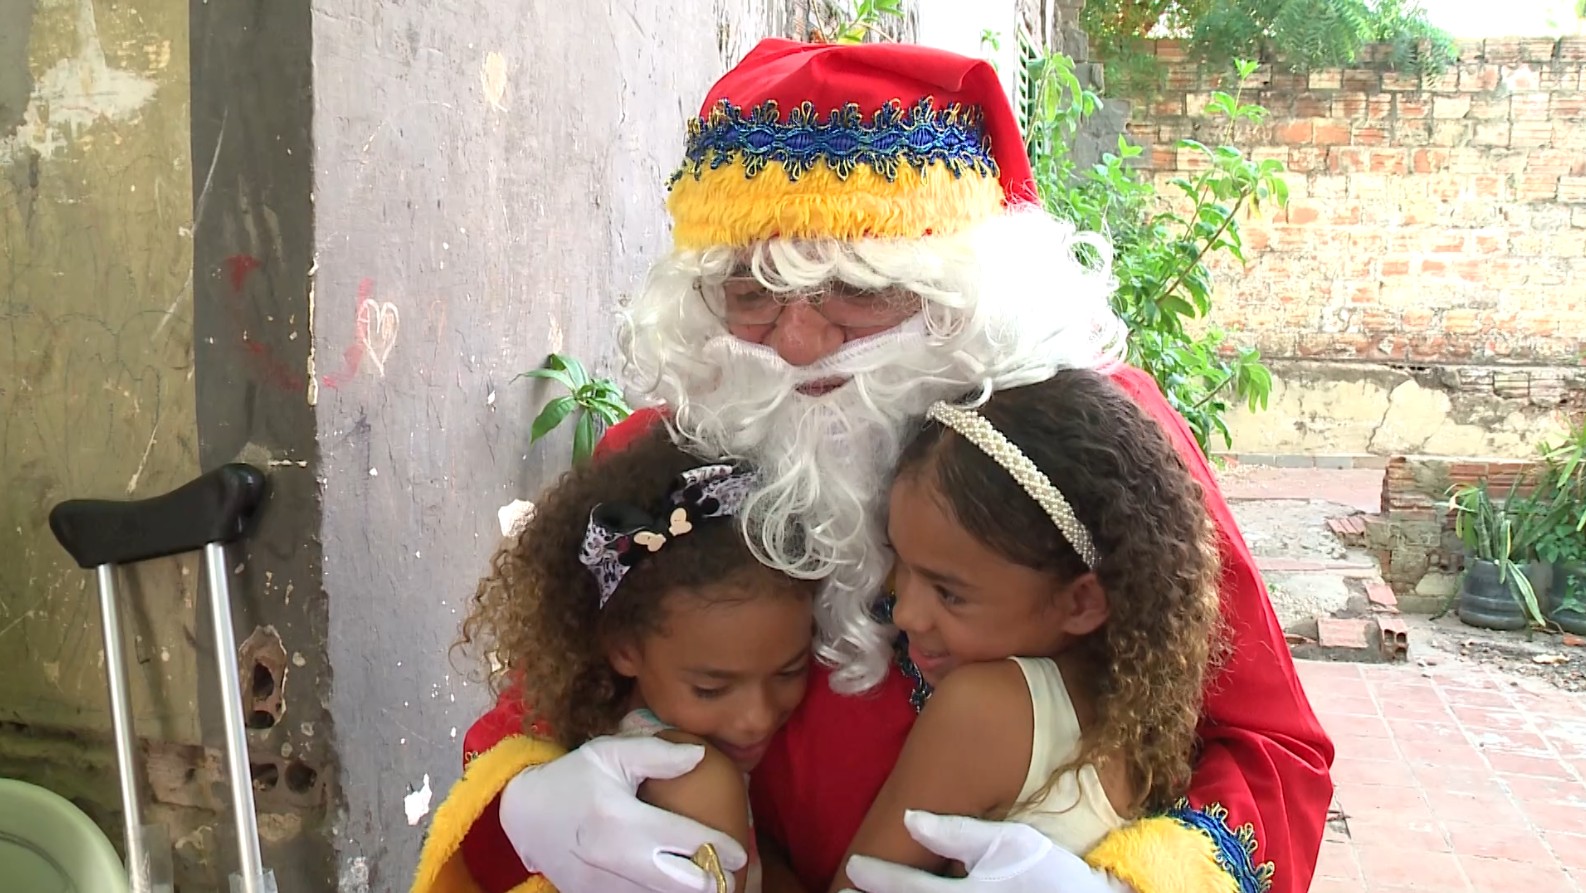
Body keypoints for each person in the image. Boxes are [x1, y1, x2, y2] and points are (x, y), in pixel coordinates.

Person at [411, 37, 1333, 893]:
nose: (803, 340)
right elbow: (542, 711)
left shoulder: (1094, 442)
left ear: (961, 290)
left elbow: (1271, 753)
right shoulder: (656, 459)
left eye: (856, 288)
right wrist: (525, 809)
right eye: (753, 293)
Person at [831, 370, 1222, 892]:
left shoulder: (984, 709)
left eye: (949, 593)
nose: (905, 615)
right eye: (899, 561)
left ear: (1082, 601)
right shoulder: (1135, 701)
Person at [413, 430, 817, 893]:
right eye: (711, 688)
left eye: (791, 671)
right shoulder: (698, 780)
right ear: (624, 647)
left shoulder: (605, 717)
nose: (756, 717)